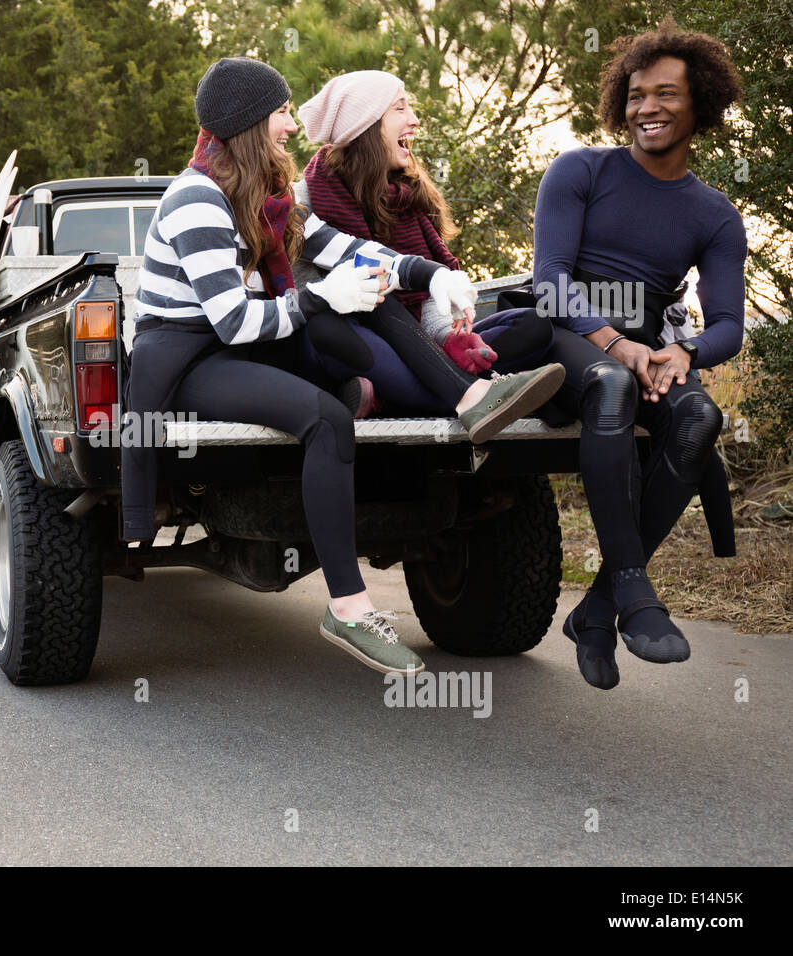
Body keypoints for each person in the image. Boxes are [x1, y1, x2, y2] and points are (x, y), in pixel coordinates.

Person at [122, 57, 556, 675]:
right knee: (325, 417)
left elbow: (348, 250)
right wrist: (324, 296)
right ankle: (350, 611)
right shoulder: (195, 199)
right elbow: (234, 323)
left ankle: (466, 400)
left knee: (366, 280)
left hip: (246, 341)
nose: (291, 126)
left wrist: (433, 275)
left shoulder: (271, 197)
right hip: (194, 356)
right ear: (249, 122)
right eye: (279, 112)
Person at [531, 20, 746, 689]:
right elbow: (550, 282)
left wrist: (685, 352)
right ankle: (631, 588)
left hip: (645, 343)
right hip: (564, 333)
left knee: (698, 419)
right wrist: (615, 342)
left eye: (665, 94)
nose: (646, 106)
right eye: (635, 94)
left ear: (700, 104)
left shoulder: (714, 214)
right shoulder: (581, 169)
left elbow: (731, 325)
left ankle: (596, 611)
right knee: (613, 385)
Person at [293, 71, 559, 415]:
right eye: (400, 108)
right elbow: (324, 293)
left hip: (416, 342)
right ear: (365, 125)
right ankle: (477, 395)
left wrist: (447, 336)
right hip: (349, 339)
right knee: (372, 285)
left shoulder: (409, 194)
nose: (414, 120)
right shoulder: (305, 200)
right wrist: (424, 280)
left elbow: (429, 293)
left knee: (533, 324)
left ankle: (399, 395)